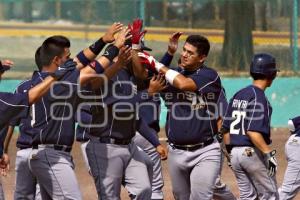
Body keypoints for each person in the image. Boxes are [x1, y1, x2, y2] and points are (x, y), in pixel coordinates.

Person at [27, 25, 131, 199]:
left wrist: (103, 41)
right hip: (51, 156)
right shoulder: (59, 83)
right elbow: (92, 69)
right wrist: (115, 47)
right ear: (56, 61)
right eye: (66, 57)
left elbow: (80, 60)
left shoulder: (43, 79)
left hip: (45, 153)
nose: (71, 60)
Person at [141, 34, 223, 199]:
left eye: (190, 53)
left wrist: (156, 63)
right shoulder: (175, 73)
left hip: (204, 151)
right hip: (176, 152)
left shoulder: (208, 75)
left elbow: (183, 84)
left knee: (200, 197)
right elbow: (149, 74)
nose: (184, 54)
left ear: (202, 57)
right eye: (184, 50)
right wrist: (169, 53)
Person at [221, 53, 279, 200]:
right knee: (270, 194)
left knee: (248, 196)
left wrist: (230, 153)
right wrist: (269, 154)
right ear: (271, 75)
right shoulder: (259, 97)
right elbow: (253, 132)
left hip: (234, 154)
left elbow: (225, 129)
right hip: (251, 153)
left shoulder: (238, 94)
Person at [279, 116, 300, 200]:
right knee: (289, 189)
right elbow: (291, 122)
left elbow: (291, 122)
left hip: (294, 142)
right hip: (297, 145)